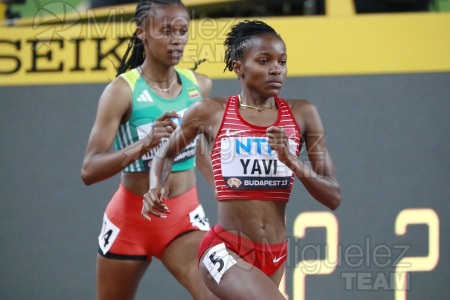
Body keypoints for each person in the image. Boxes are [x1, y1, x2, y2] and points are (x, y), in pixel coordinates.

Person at [144, 20, 341, 299]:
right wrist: (155, 186)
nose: (276, 69)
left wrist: (293, 162)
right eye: (264, 60)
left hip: (274, 254)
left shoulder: (303, 114)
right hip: (225, 249)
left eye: (282, 62)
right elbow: (166, 153)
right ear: (238, 66)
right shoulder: (210, 112)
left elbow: (333, 196)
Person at [81, 0, 217, 299]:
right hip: (129, 222)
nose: (177, 39)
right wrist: (146, 143)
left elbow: (202, 150)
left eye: (182, 30)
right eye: (166, 31)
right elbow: (89, 170)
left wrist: (227, 196)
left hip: (183, 220)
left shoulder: (200, 86)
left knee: (217, 293)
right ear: (141, 32)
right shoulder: (121, 91)